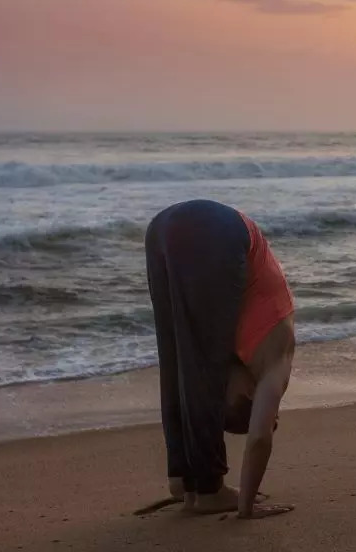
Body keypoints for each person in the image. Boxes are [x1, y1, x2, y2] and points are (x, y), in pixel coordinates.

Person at [144, 199, 296, 519]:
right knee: (198, 367)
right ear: (250, 393)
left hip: (162, 227)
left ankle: (184, 479)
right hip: (217, 229)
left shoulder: (238, 352)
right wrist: (247, 509)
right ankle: (209, 489)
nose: (220, 386)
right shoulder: (276, 361)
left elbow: (184, 374)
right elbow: (259, 437)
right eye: (225, 396)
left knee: (176, 359)